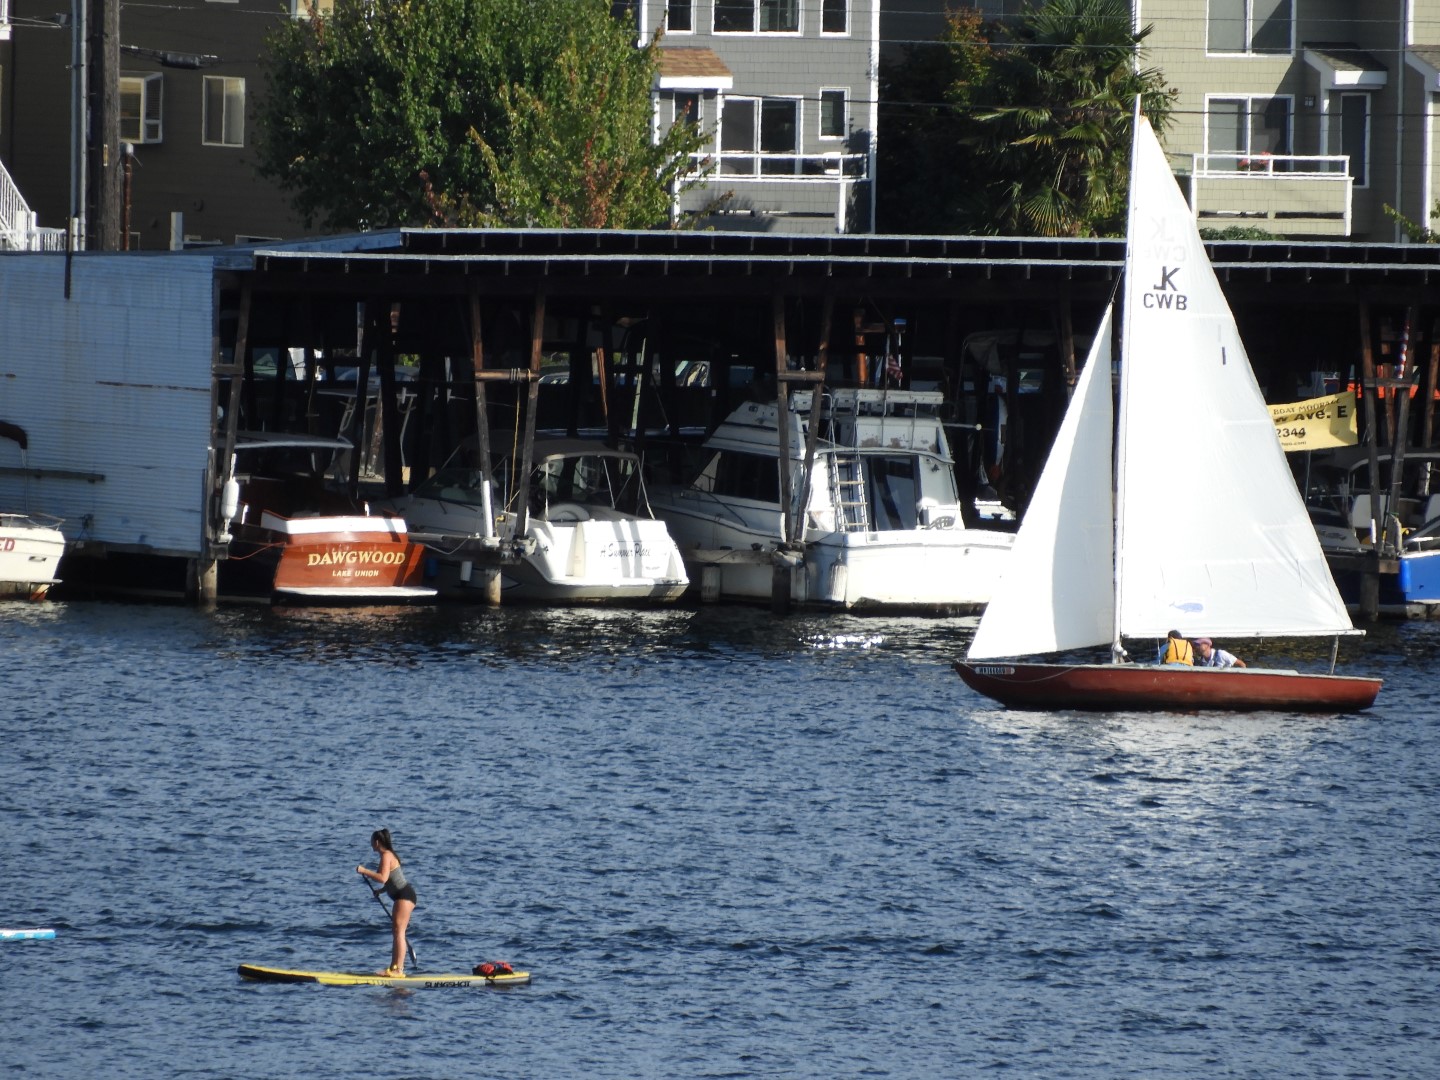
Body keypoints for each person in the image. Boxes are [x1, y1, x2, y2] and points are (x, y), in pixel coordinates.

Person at [356, 828, 416, 976]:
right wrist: (380, 892)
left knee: (399, 932)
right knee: (396, 932)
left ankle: (398, 970)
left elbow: (382, 878)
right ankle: (393, 968)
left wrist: (364, 871)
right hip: (402, 895)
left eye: (371, 841)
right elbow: (390, 881)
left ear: (377, 842)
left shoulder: (386, 855)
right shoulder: (387, 855)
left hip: (405, 895)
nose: (371, 844)